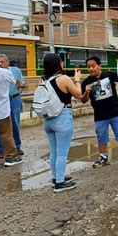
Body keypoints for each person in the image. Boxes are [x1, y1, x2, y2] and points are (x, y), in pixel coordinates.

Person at [42, 53, 84, 192]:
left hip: (48, 120)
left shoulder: (43, 80)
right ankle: (59, 183)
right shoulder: (64, 78)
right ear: (59, 64)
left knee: (54, 151)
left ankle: (56, 177)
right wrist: (77, 80)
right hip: (62, 117)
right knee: (62, 153)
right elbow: (79, 94)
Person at [80, 56, 118, 167]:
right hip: (100, 115)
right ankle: (103, 157)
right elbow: (83, 100)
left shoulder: (109, 75)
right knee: (101, 136)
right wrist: (86, 92)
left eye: (93, 66)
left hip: (115, 112)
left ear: (99, 66)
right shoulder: (86, 82)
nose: (91, 69)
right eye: (88, 67)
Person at [0, 54, 26, 157]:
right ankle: (0, 149)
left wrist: (20, 84)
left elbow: (23, 85)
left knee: (15, 123)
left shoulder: (15, 70)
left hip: (14, 99)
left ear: (7, 62)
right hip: (0, 101)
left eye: (2, 61)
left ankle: (17, 146)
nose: (0, 64)